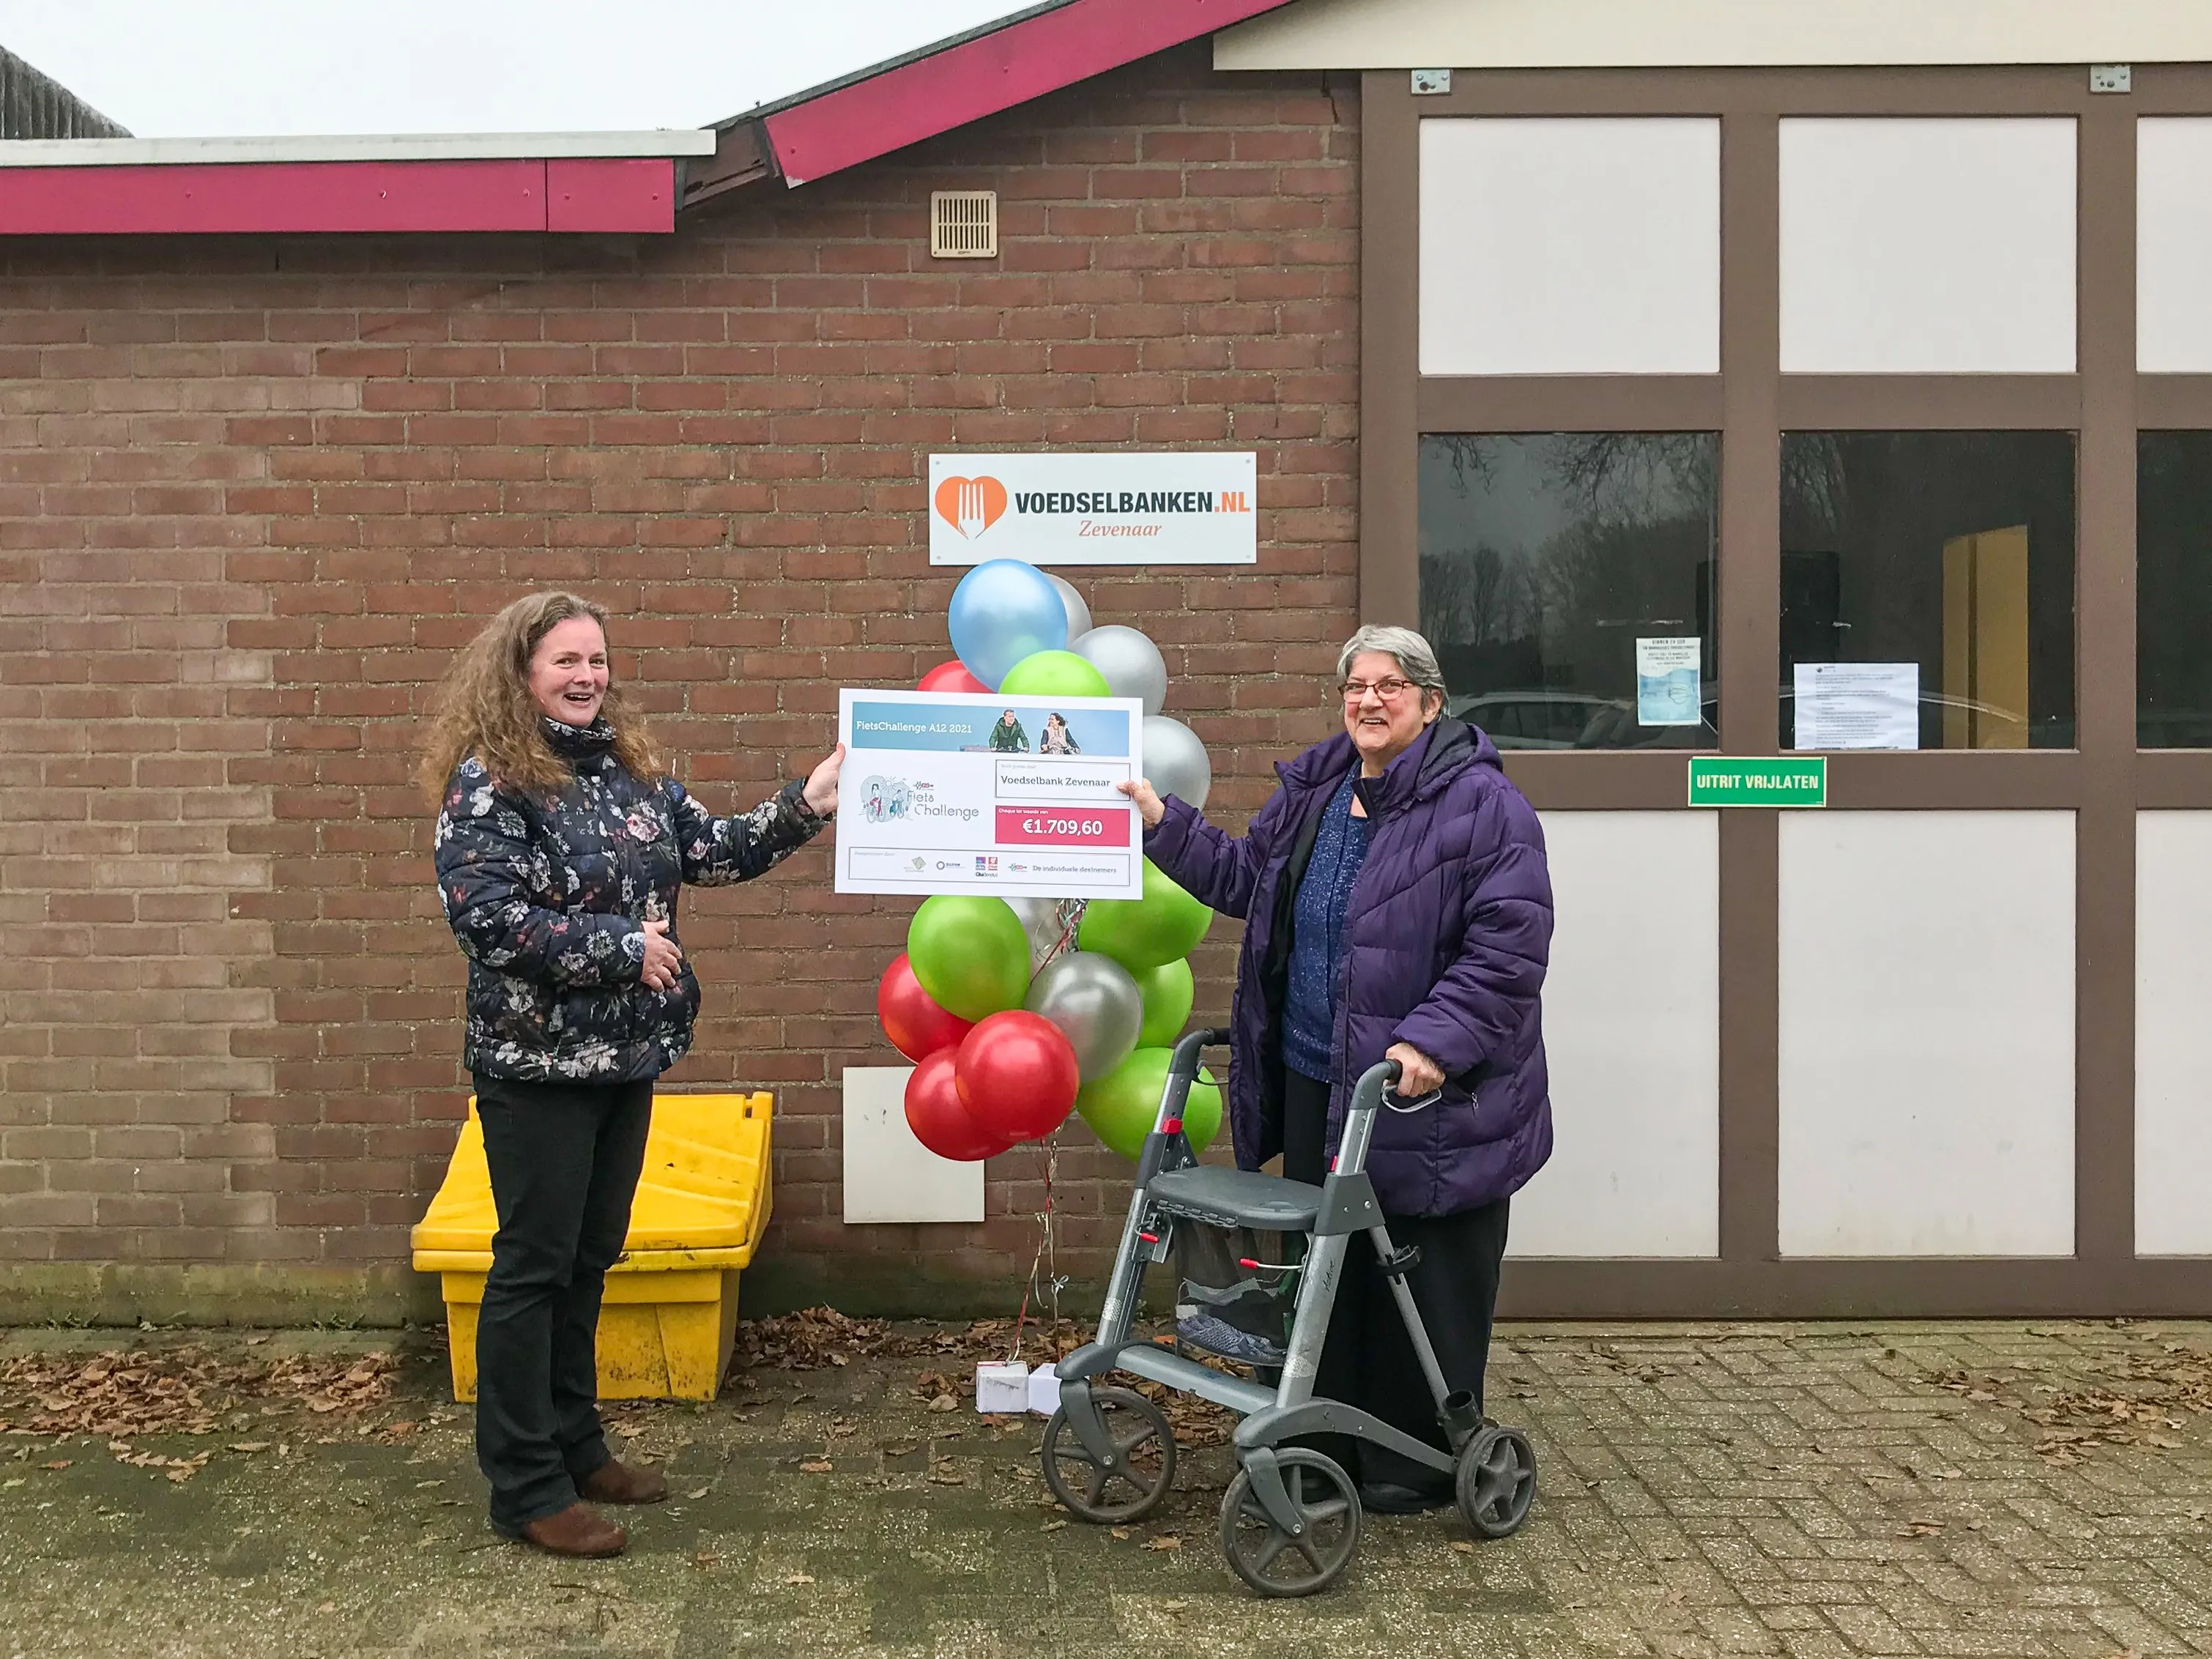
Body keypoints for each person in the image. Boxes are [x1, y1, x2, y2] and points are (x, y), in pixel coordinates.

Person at [421, 591, 842, 1558]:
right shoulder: (489, 781)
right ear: (520, 673)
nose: (585, 676)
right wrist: (621, 949)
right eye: (564, 660)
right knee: (532, 1268)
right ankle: (525, 1485)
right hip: (536, 1067)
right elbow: (487, 920)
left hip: (626, 1057)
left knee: (588, 1258)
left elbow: (710, 851)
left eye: (597, 660)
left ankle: (578, 1444)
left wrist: (804, 804)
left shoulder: (631, 769)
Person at [1118, 624, 1552, 1513]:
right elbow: (1247, 881)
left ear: (1430, 702)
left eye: (1389, 685)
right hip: (1325, 1083)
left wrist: (1434, 1041)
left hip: (1426, 1096)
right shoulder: (1317, 789)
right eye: (1355, 685)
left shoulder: (1481, 805)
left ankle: (1416, 1463)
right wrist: (1164, 825)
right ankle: (1326, 1446)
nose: (1367, 700)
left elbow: (1509, 947)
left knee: (1421, 1281)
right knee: (1331, 1276)